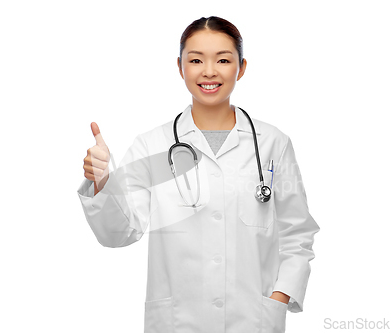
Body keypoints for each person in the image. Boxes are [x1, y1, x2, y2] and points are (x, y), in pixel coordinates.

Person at [77, 16, 320, 333]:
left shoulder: (273, 143)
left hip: (252, 320)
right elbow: (119, 234)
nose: (209, 71)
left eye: (223, 59)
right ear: (180, 68)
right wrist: (103, 181)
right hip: (178, 322)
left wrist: (279, 296)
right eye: (195, 60)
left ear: (241, 67)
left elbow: (297, 234)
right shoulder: (153, 145)